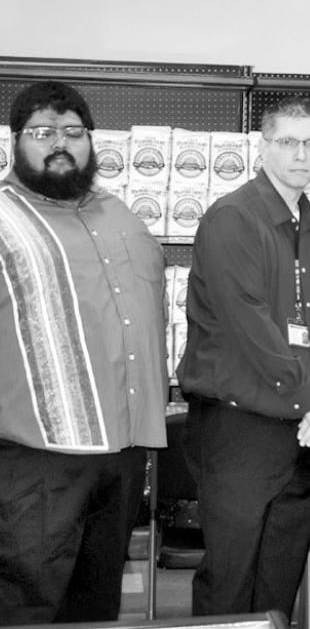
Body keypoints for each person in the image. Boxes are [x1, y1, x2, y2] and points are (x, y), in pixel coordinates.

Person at [179, 96, 310, 618]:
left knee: (279, 577)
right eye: (288, 142)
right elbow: (249, 329)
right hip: (241, 429)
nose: (301, 154)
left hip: (297, 429)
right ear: (263, 148)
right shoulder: (233, 218)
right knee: (230, 580)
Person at [0, 81, 167, 624]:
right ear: (15, 141)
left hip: (121, 450)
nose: (59, 143)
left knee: (96, 604)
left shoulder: (119, 214)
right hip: (36, 456)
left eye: (73, 132)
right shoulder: (4, 219)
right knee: (28, 603)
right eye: (42, 132)